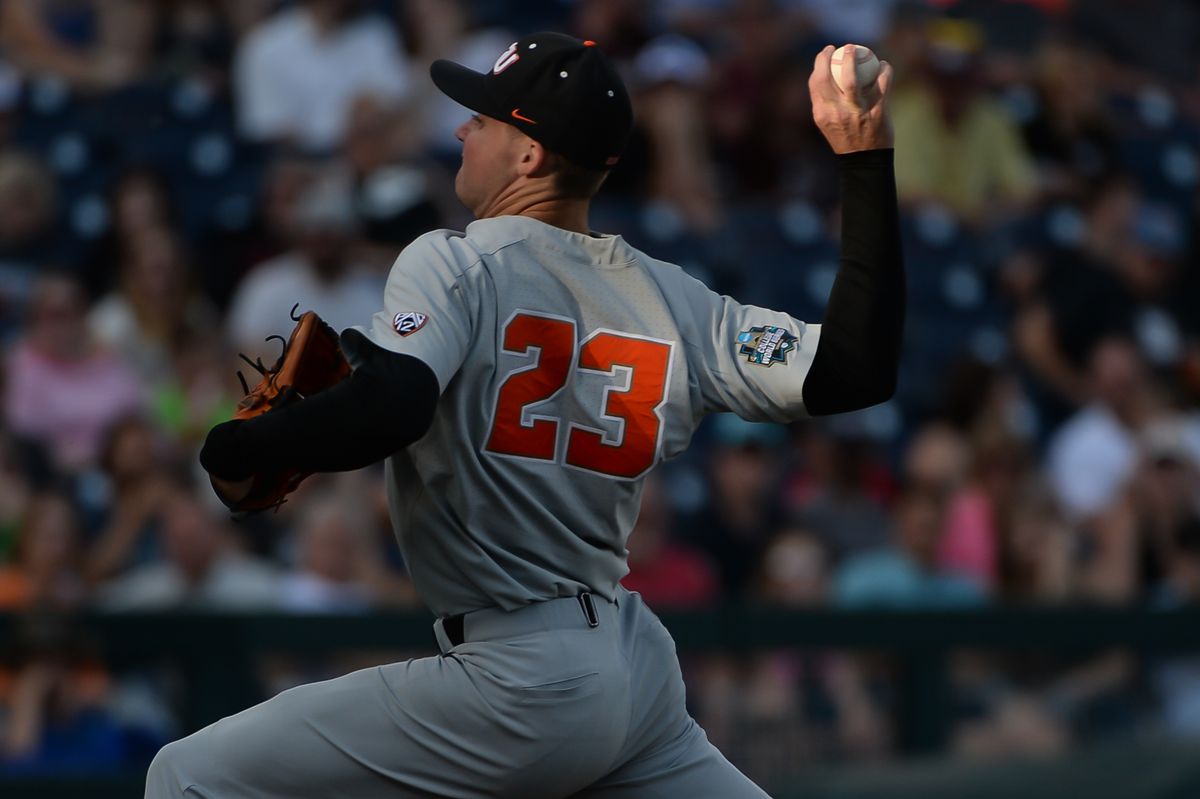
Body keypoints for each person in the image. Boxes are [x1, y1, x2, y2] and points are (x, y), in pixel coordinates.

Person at [151, 33, 903, 798]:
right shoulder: (677, 300)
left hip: (516, 680)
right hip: (631, 669)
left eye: (482, 117)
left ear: (529, 156)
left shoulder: (455, 261)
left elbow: (393, 405)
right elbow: (854, 366)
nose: (460, 129)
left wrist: (242, 441)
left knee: (186, 775)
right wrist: (864, 156)